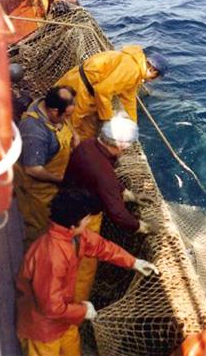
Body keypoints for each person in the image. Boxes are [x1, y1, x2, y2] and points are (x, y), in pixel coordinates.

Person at [16, 187, 159, 356]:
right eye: (86, 219)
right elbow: (50, 307)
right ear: (72, 225)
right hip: (42, 330)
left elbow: (101, 247)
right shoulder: (51, 257)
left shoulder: (74, 235)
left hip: (65, 319)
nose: (89, 220)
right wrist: (83, 310)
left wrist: (134, 262)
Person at [62, 116, 156, 302]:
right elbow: (117, 213)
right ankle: (75, 303)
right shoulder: (103, 172)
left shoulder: (88, 145)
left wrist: (129, 195)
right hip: (79, 219)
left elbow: (107, 179)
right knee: (83, 268)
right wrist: (141, 226)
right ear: (120, 146)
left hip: (68, 205)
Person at [56, 45, 168, 139]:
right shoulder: (132, 70)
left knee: (86, 132)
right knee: (66, 128)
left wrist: (132, 124)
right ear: (153, 71)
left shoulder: (135, 68)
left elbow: (129, 99)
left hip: (79, 83)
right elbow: (102, 91)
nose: (152, 80)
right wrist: (108, 120)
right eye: (156, 77)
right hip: (79, 90)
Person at [14, 86, 79, 247]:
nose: (67, 119)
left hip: (54, 183)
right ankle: (32, 263)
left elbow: (64, 121)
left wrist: (75, 135)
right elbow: (33, 169)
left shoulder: (44, 103)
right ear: (54, 111)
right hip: (37, 190)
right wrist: (59, 179)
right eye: (67, 115)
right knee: (39, 230)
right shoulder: (34, 132)